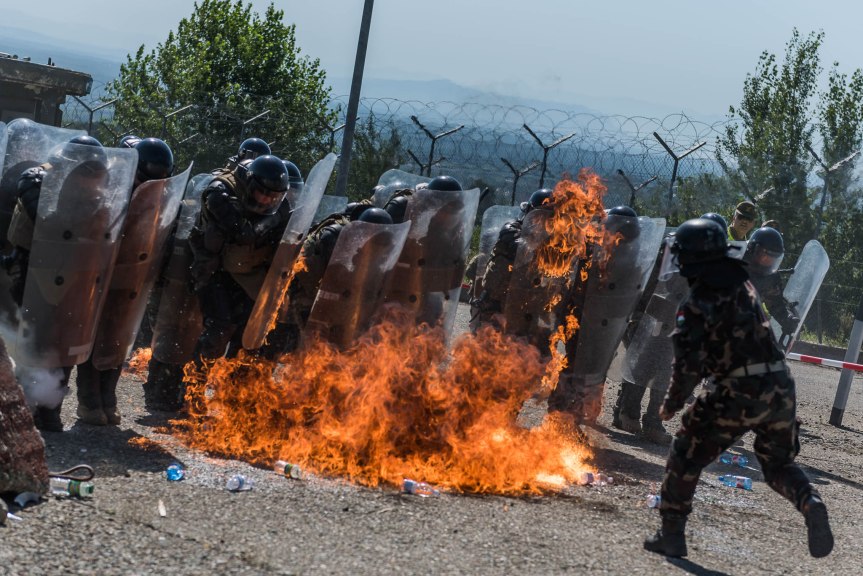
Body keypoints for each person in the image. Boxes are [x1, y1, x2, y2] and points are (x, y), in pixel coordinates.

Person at [643, 217, 832, 559]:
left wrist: (671, 403)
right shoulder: (743, 284)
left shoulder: (699, 298)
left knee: (685, 453)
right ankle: (810, 501)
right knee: (777, 464)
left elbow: (688, 363)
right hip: (780, 384)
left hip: (739, 386)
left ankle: (671, 534)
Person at [3, 136, 112, 431]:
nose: (90, 182)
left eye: (95, 175)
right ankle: (22, 412)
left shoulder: (95, 197)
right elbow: (47, 219)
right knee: (30, 342)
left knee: (64, 342)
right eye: (85, 173)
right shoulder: (37, 178)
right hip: (30, 271)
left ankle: (50, 409)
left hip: (73, 273)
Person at [75, 137, 176, 426]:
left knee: (118, 338)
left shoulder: (160, 199)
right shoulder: (111, 191)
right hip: (102, 274)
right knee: (94, 338)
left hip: (132, 277)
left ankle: (108, 396)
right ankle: (89, 400)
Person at [613, 213, 726, 444]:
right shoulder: (673, 247)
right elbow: (651, 279)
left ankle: (653, 422)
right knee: (641, 365)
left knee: (668, 371)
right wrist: (637, 312)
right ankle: (627, 413)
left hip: (681, 323)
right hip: (654, 315)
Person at [188, 154, 291, 366]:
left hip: (246, 273)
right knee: (218, 330)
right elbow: (244, 233)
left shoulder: (279, 202)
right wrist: (273, 219)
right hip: (212, 271)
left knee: (249, 332)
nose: (265, 200)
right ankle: (192, 386)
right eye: (261, 193)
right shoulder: (219, 193)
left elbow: (285, 232)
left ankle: (232, 391)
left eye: (271, 197)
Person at [278, 206, 394, 353]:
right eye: (374, 237)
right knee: (307, 350)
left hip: (343, 305)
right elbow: (325, 279)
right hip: (308, 296)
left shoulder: (382, 251)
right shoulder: (335, 238)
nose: (378, 243)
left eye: (382, 239)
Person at [471, 189, 553, 331]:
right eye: (539, 215)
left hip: (532, 306)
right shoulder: (513, 230)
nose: (543, 221)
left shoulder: (556, 243)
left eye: (549, 218)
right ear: (529, 213)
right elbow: (512, 239)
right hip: (501, 300)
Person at [743, 226, 798, 336]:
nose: (767, 261)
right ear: (753, 249)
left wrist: (787, 318)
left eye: (773, 258)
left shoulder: (771, 277)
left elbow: (775, 303)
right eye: (764, 256)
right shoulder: (734, 263)